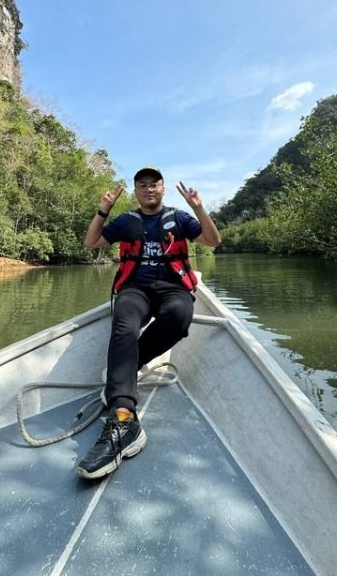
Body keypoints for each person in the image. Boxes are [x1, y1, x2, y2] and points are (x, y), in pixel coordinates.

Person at [76, 166, 221, 480]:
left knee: (181, 316)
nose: (149, 189)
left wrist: (198, 206)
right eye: (142, 185)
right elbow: (91, 243)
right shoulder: (127, 221)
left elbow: (213, 240)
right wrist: (104, 209)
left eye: (154, 184)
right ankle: (124, 414)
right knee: (125, 324)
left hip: (172, 288)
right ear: (136, 191)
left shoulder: (179, 218)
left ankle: (127, 367)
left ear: (163, 188)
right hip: (135, 289)